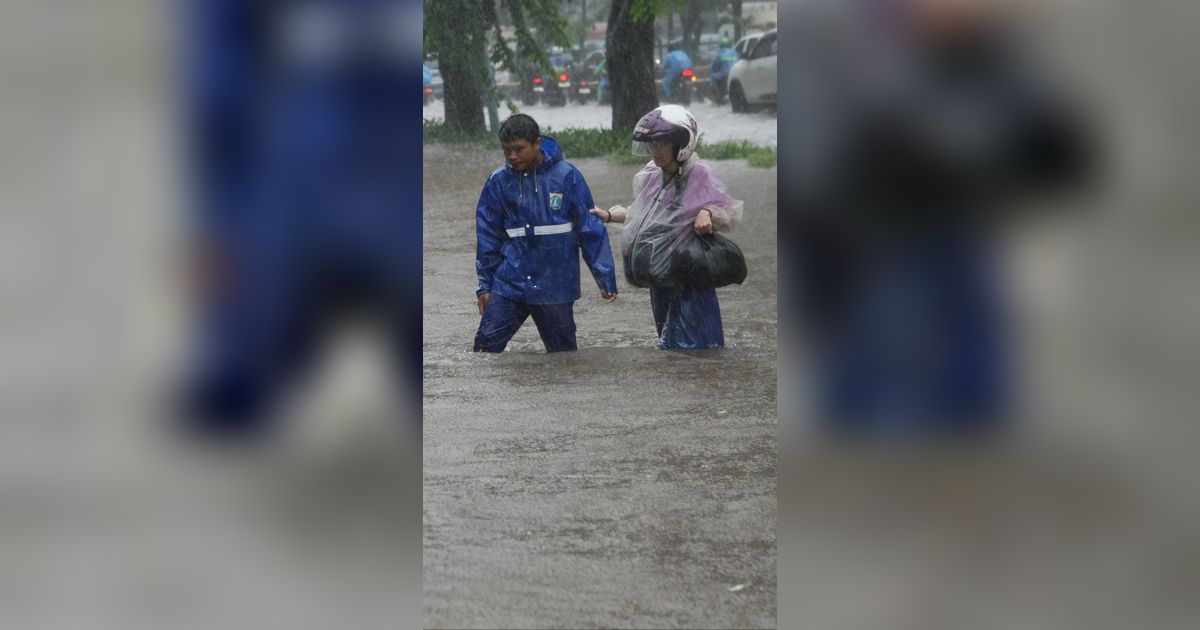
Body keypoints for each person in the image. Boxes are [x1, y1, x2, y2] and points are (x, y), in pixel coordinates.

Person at [591, 105, 743, 350]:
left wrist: (707, 212)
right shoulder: (652, 174)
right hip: (660, 276)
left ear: (681, 143)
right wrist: (608, 215)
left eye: (661, 144)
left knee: (697, 350)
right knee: (668, 347)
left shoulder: (700, 175)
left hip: (689, 277)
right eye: (651, 144)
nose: (654, 151)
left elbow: (730, 213)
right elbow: (642, 214)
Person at [474, 114, 619, 353]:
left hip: (555, 286)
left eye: (518, 149)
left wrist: (605, 277)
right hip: (510, 283)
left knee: (563, 358)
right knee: (484, 349)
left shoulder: (567, 176)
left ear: (537, 143)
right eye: (506, 150)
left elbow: (589, 229)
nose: (512, 156)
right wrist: (485, 286)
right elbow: (488, 236)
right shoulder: (498, 182)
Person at [709, 36, 740, 104]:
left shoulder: (720, 53)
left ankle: (717, 96)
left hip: (724, 75)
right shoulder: (735, 52)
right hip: (736, 74)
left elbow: (714, 67)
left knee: (712, 77)